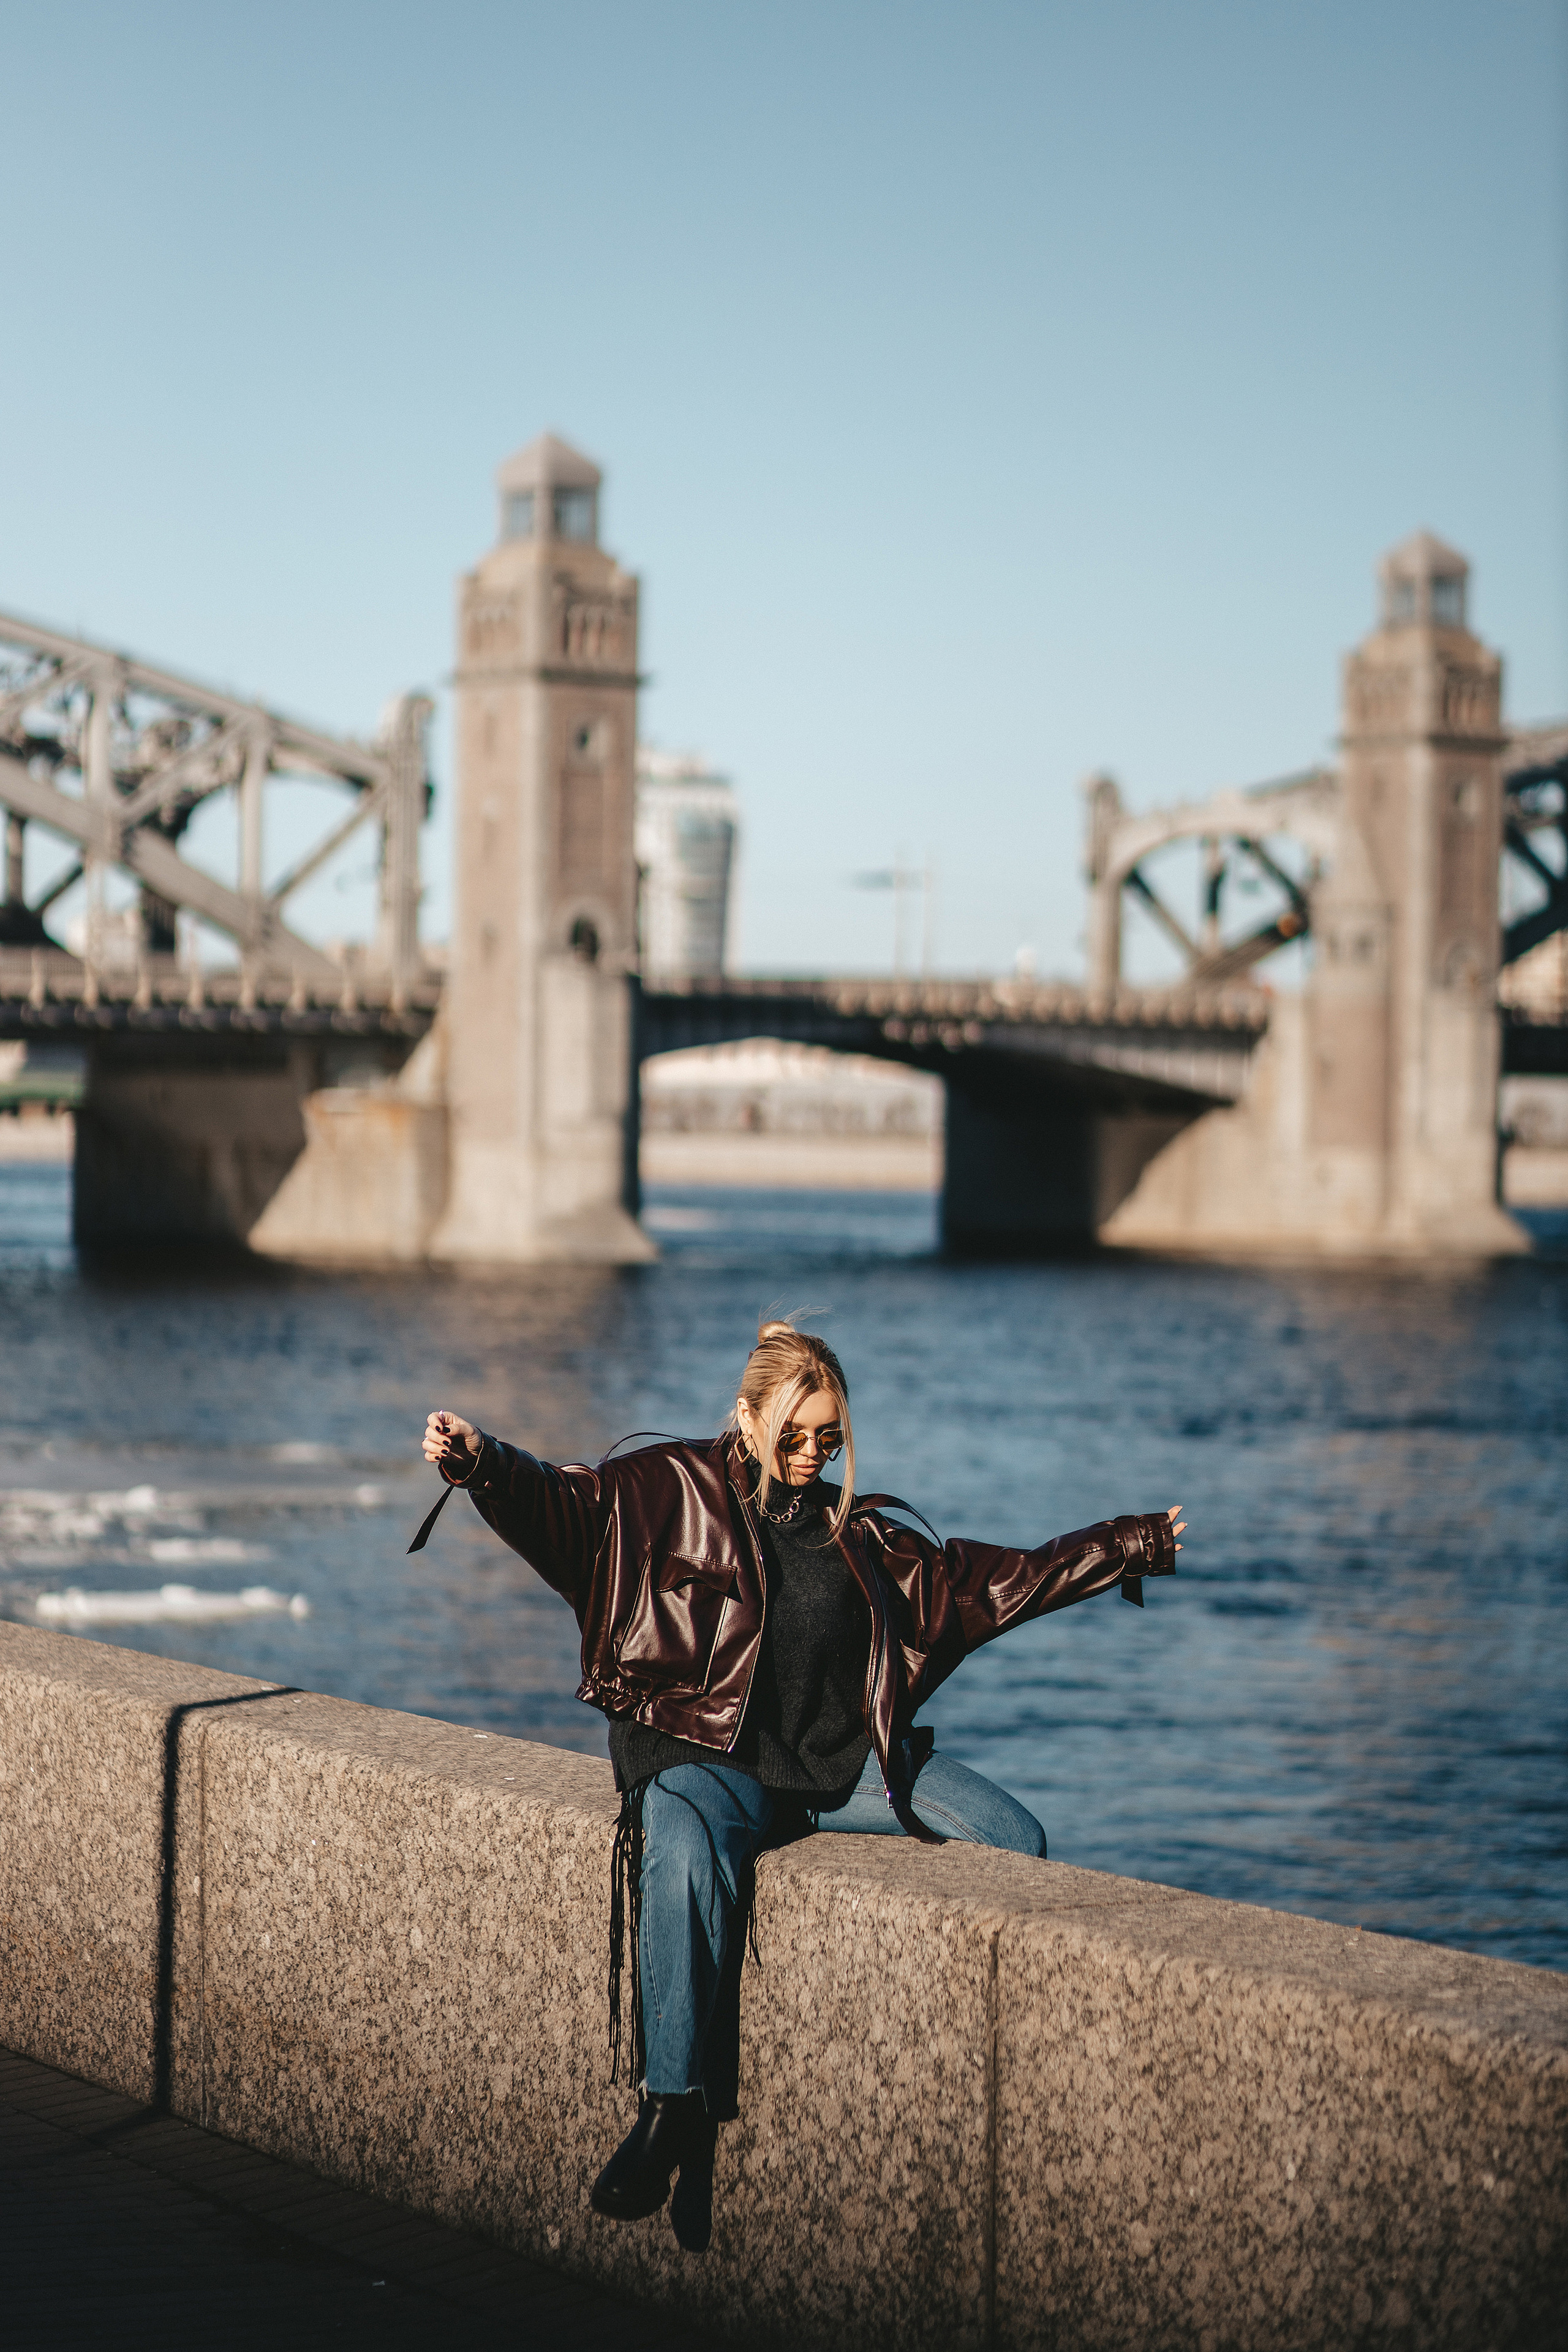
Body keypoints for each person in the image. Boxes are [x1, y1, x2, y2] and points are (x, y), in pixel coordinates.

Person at [419, 1317, 1183, 2242]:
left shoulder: (862, 1538)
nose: (812, 1453)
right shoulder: (662, 1492)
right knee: (683, 1854)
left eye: (829, 1436)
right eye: (793, 1434)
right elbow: (560, 1506)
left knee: (1013, 1841)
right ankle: (671, 2107)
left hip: (843, 1777)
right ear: (746, 1418)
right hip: (712, 1757)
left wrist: (1125, 1543)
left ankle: (991, 2098)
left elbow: (993, 1583)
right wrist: (482, 1462)